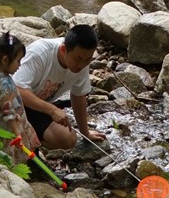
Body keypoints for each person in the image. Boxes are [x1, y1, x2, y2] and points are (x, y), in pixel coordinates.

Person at [13, 24, 107, 152]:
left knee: (68, 139)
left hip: (36, 108)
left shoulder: (82, 63)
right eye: (78, 59)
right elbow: (17, 89)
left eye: (88, 60)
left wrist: (85, 133)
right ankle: (21, 140)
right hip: (12, 104)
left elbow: (78, 96)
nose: (82, 65)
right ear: (63, 49)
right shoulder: (40, 53)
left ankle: (29, 139)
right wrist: (52, 110)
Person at [0, 32, 40, 153]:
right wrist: (17, 133)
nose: (20, 65)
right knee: (20, 153)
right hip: (9, 128)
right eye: (18, 61)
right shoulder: (5, 83)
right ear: (5, 60)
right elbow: (8, 112)